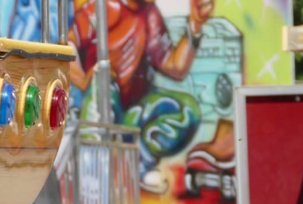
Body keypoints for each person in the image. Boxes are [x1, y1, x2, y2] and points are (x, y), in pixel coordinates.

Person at [68, 0, 213, 193]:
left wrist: (195, 26)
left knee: (187, 110)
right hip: (99, 111)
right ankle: (93, 172)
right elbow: (67, 48)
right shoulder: (98, 9)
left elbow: (175, 67)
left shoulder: (150, 14)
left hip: (133, 114)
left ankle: (138, 166)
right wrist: (85, 80)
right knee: (102, 82)